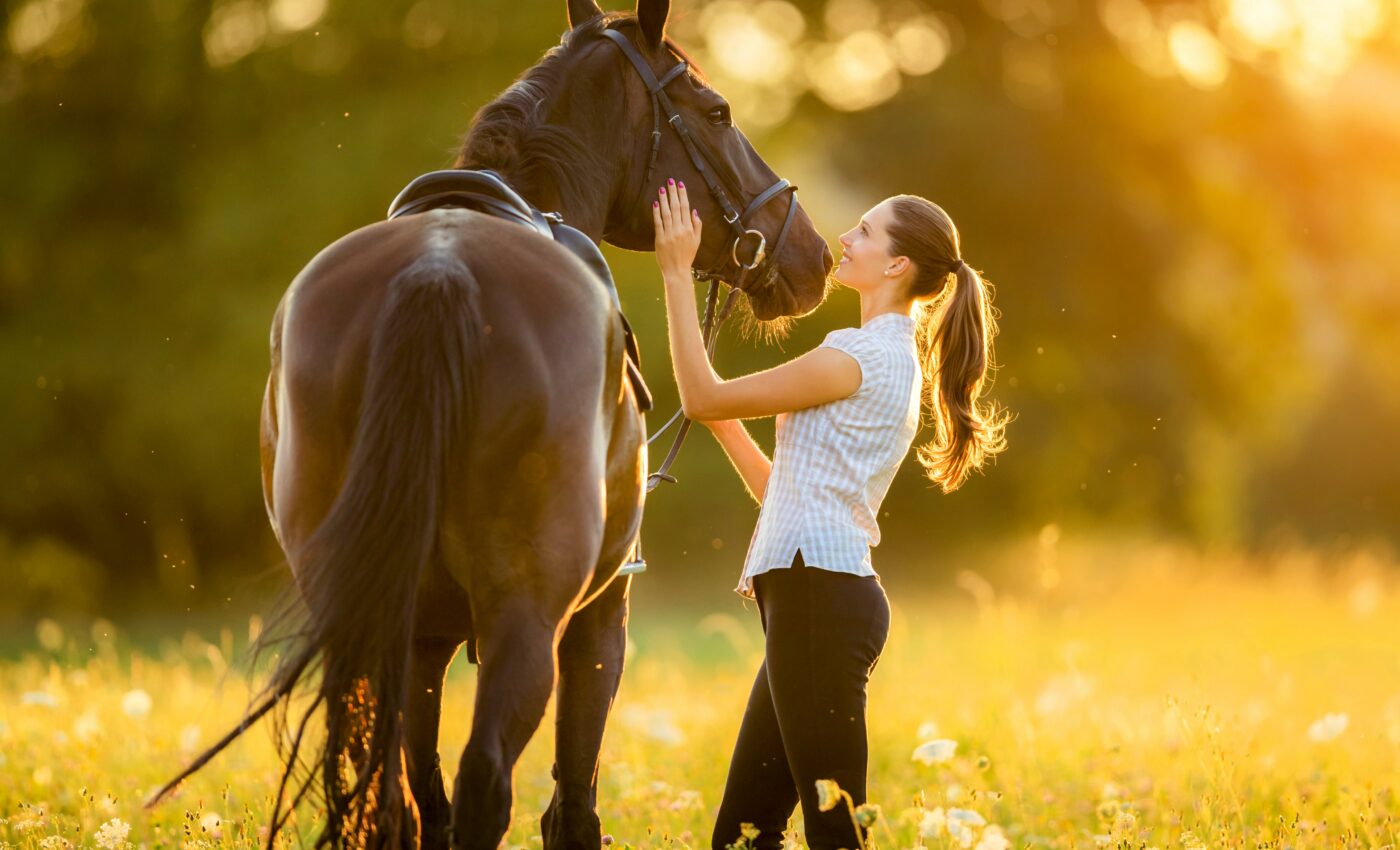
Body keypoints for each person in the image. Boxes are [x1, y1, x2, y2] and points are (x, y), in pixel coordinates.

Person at [651, 178, 1008, 850]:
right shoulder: (884, 357)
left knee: (835, 830)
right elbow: (783, 492)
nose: (846, 238)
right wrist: (727, 423)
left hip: (821, 599)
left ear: (897, 265)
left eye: (866, 232)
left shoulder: (857, 355)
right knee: (745, 834)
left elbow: (701, 394)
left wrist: (675, 270)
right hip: (814, 596)